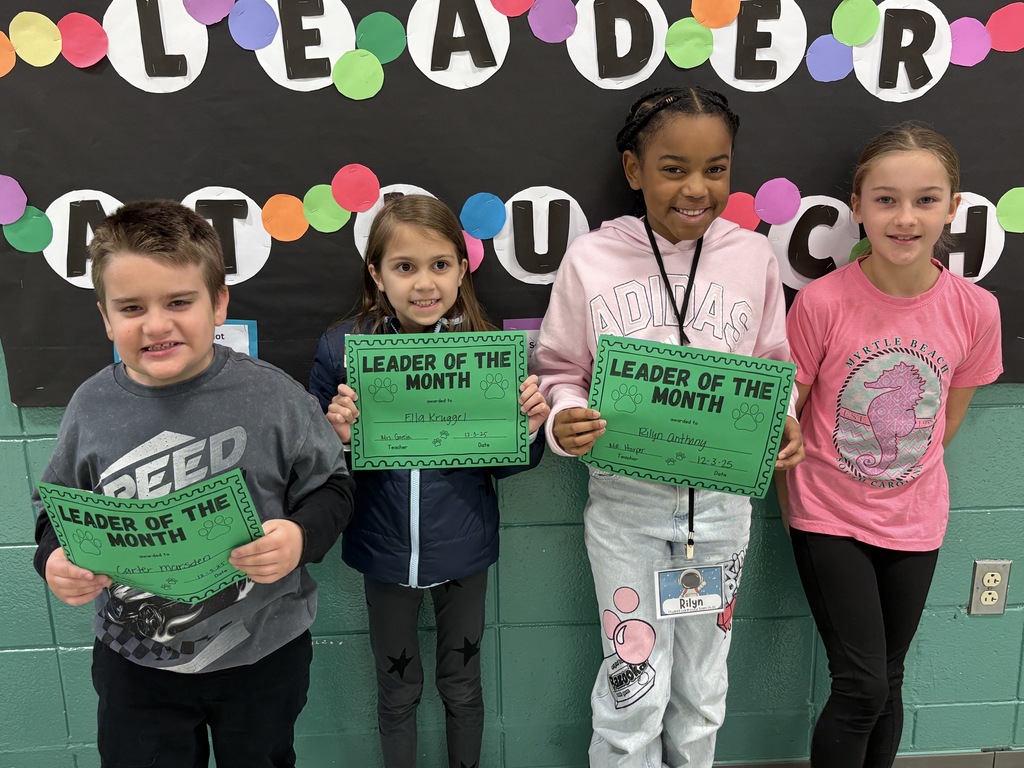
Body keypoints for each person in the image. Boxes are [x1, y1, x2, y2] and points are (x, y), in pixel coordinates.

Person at [532, 86, 804, 767]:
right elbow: (558, 368)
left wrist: (786, 420)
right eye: (673, 167)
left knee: (702, 694)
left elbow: (775, 366)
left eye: (716, 168)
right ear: (634, 170)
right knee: (633, 691)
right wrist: (566, 416)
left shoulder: (753, 259)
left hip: (721, 515)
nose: (696, 187)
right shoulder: (591, 260)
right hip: (626, 515)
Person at [32, 200, 354, 768]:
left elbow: (333, 488)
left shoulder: (275, 396)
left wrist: (301, 537)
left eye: (179, 301)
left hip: (263, 654)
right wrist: (55, 558)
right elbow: (55, 512)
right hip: (135, 664)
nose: (156, 324)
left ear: (219, 303)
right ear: (106, 317)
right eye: (131, 307)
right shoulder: (89, 407)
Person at [781, 124, 1003, 767]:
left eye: (926, 199)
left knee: (890, 678)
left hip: (915, 520)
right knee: (862, 685)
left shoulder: (976, 310)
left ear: (953, 207)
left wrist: (894, 471)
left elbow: (946, 420)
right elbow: (786, 413)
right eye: (885, 199)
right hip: (828, 516)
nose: (905, 218)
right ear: (858, 206)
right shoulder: (823, 303)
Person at [308, 193, 549, 768]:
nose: (424, 283)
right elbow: (310, 463)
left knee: (462, 685)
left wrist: (530, 429)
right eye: (404, 266)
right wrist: (333, 435)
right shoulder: (342, 350)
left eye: (440, 265)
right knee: (397, 690)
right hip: (382, 553)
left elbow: (508, 463)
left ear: (463, 269)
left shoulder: (487, 349)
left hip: (463, 552)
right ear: (376, 274)